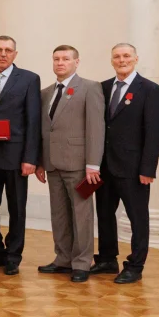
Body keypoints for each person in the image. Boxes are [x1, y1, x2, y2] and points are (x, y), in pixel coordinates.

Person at [92, 43, 159, 284]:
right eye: (117, 56)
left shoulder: (150, 89)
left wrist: (148, 168)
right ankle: (106, 258)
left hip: (134, 169)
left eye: (126, 56)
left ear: (135, 59)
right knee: (104, 214)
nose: (121, 60)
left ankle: (135, 265)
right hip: (104, 167)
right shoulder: (102, 88)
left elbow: (154, 132)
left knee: (137, 218)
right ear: (111, 60)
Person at [34, 45, 105, 283]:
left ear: (77, 62)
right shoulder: (46, 93)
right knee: (59, 215)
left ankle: (82, 263)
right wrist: (40, 162)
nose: (60, 63)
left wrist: (93, 164)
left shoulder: (90, 88)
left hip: (79, 164)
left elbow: (96, 129)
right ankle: (63, 258)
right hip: (52, 164)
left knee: (81, 216)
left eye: (65, 58)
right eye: (56, 59)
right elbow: (44, 131)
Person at [0, 35, 41, 276]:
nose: (3, 54)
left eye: (8, 50)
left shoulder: (29, 79)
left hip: (16, 156)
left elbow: (33, 120)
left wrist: (31, 158)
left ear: (15, 54)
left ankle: (13, 255)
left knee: (17, 208)